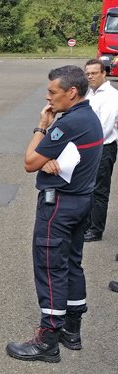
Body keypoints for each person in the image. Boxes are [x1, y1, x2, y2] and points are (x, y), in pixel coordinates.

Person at [6, 65, 102, 361]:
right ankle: (72, 330)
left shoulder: (67, 124)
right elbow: (51, 158)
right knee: (72, 264)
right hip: (81, 201)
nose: (48, 98)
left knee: (50, 268)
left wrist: (41, 128)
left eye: (52, 92)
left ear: (72, 92)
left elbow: (30, 161)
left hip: (59, 205)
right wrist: (49, 156)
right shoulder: (88, 117)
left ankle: (47, 340)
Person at [82, 59, 118, 243]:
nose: (90, 77)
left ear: (104, 74)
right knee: (88, 188)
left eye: (94, 73)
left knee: (99, 191)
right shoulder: (90, 93)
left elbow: (104, 128)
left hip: (103, 148)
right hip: (89, 148)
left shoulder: (111, 96)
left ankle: (96, 230)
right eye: (87, 73)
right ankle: (87, 224)